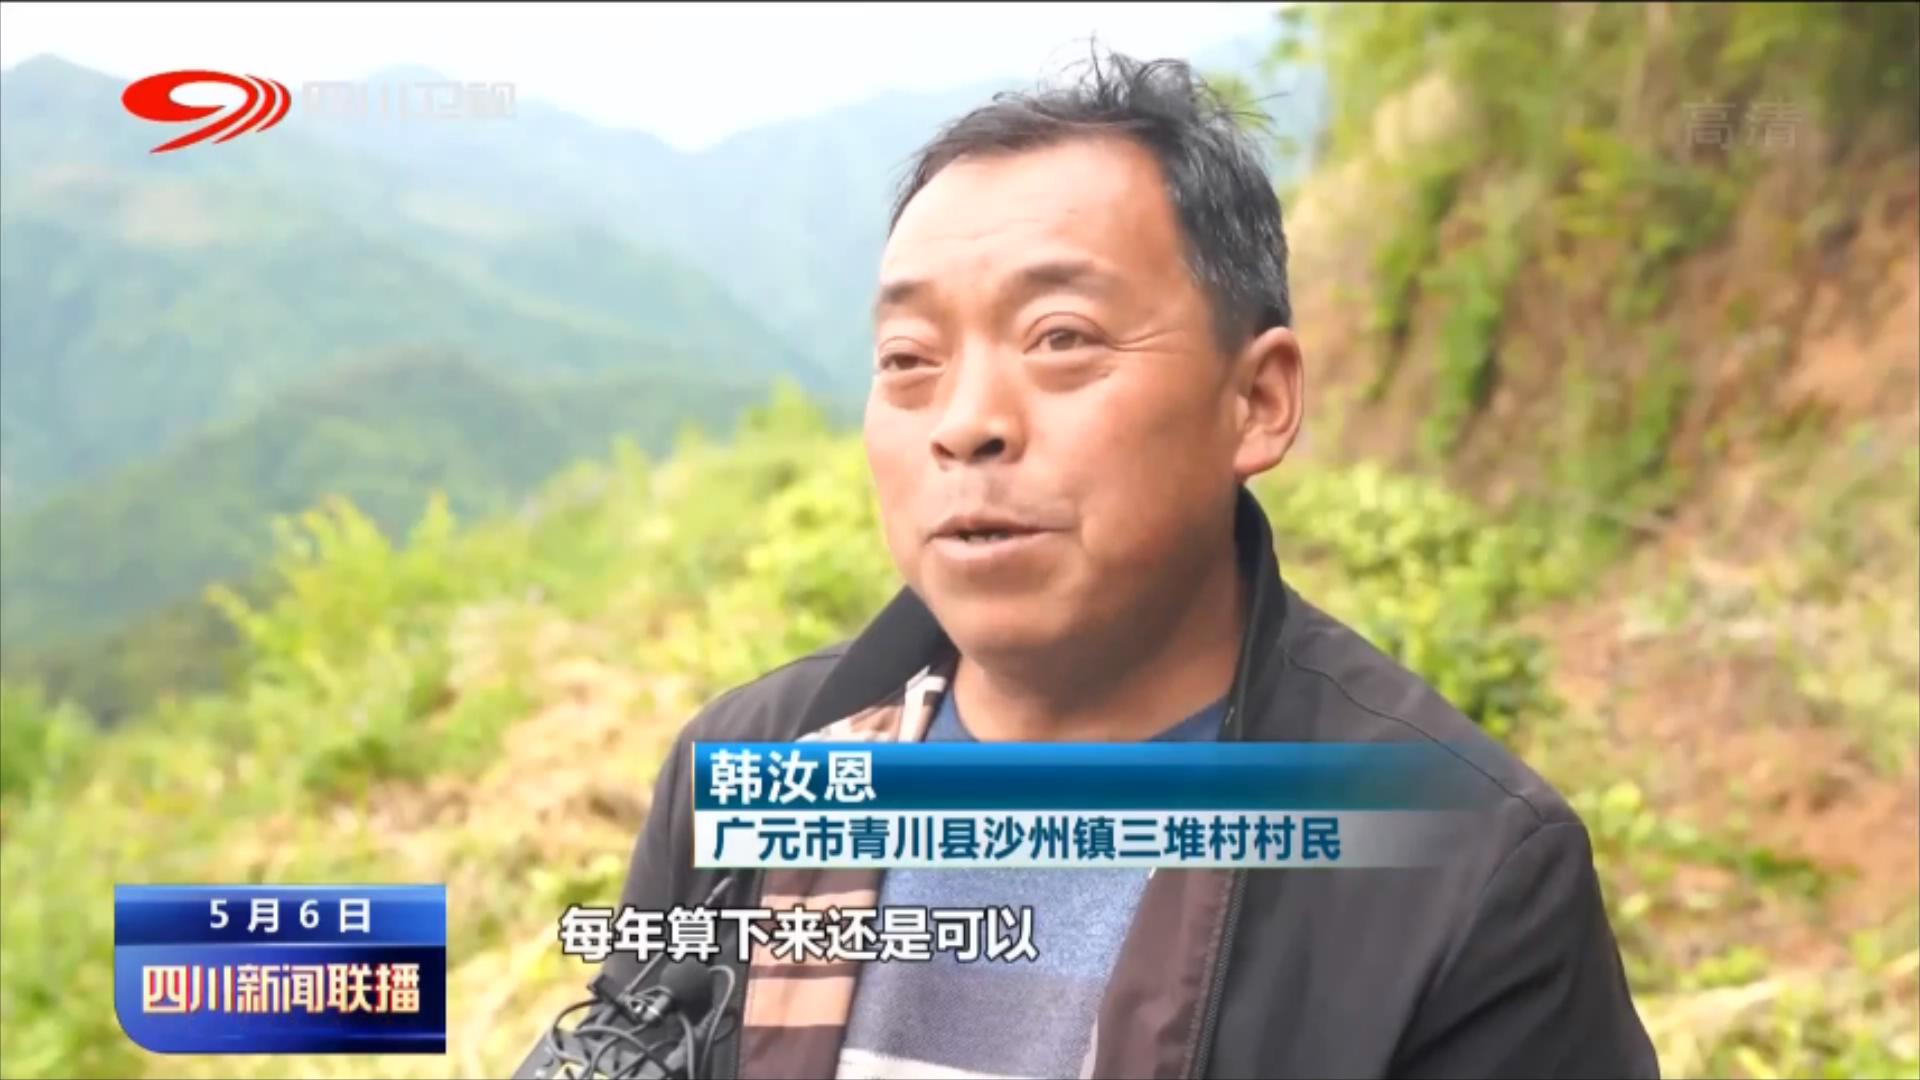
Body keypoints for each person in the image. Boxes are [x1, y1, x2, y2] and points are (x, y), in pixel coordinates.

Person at [603, 49, 1659, 1080]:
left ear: (1257, 400)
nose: (965, 423)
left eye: (1061, 338)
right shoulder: (753, 766)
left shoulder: (1457, 863)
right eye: (909, 359)